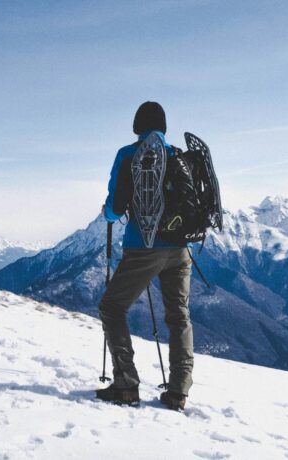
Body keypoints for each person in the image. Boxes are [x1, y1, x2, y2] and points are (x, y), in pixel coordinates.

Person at [95, 101, 193, 411]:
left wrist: (107, 212)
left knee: (112, 307)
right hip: (180, 249)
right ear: (163, 127)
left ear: (137, 126)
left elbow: (115, 208)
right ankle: (178, 391)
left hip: (142, 248)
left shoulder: (128, 155)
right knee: (178, 316)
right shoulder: (178, 155)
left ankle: (126, 384)